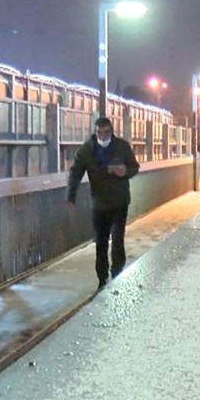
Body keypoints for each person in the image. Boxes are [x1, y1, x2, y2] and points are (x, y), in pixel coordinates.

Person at [66, 116, 140, 289]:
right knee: (100, 241)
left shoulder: (122, 147)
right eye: (100, 133)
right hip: (99, 202)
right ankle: (102, 278)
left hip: (120, 200)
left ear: (112, 131)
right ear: (95, 132)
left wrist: (125, 172)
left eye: (106, 132)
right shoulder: (87, 150)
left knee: (117, 239)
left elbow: (134, 167)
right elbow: (75, 172)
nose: (103, 136)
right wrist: (71, 195)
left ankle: (117, 274)